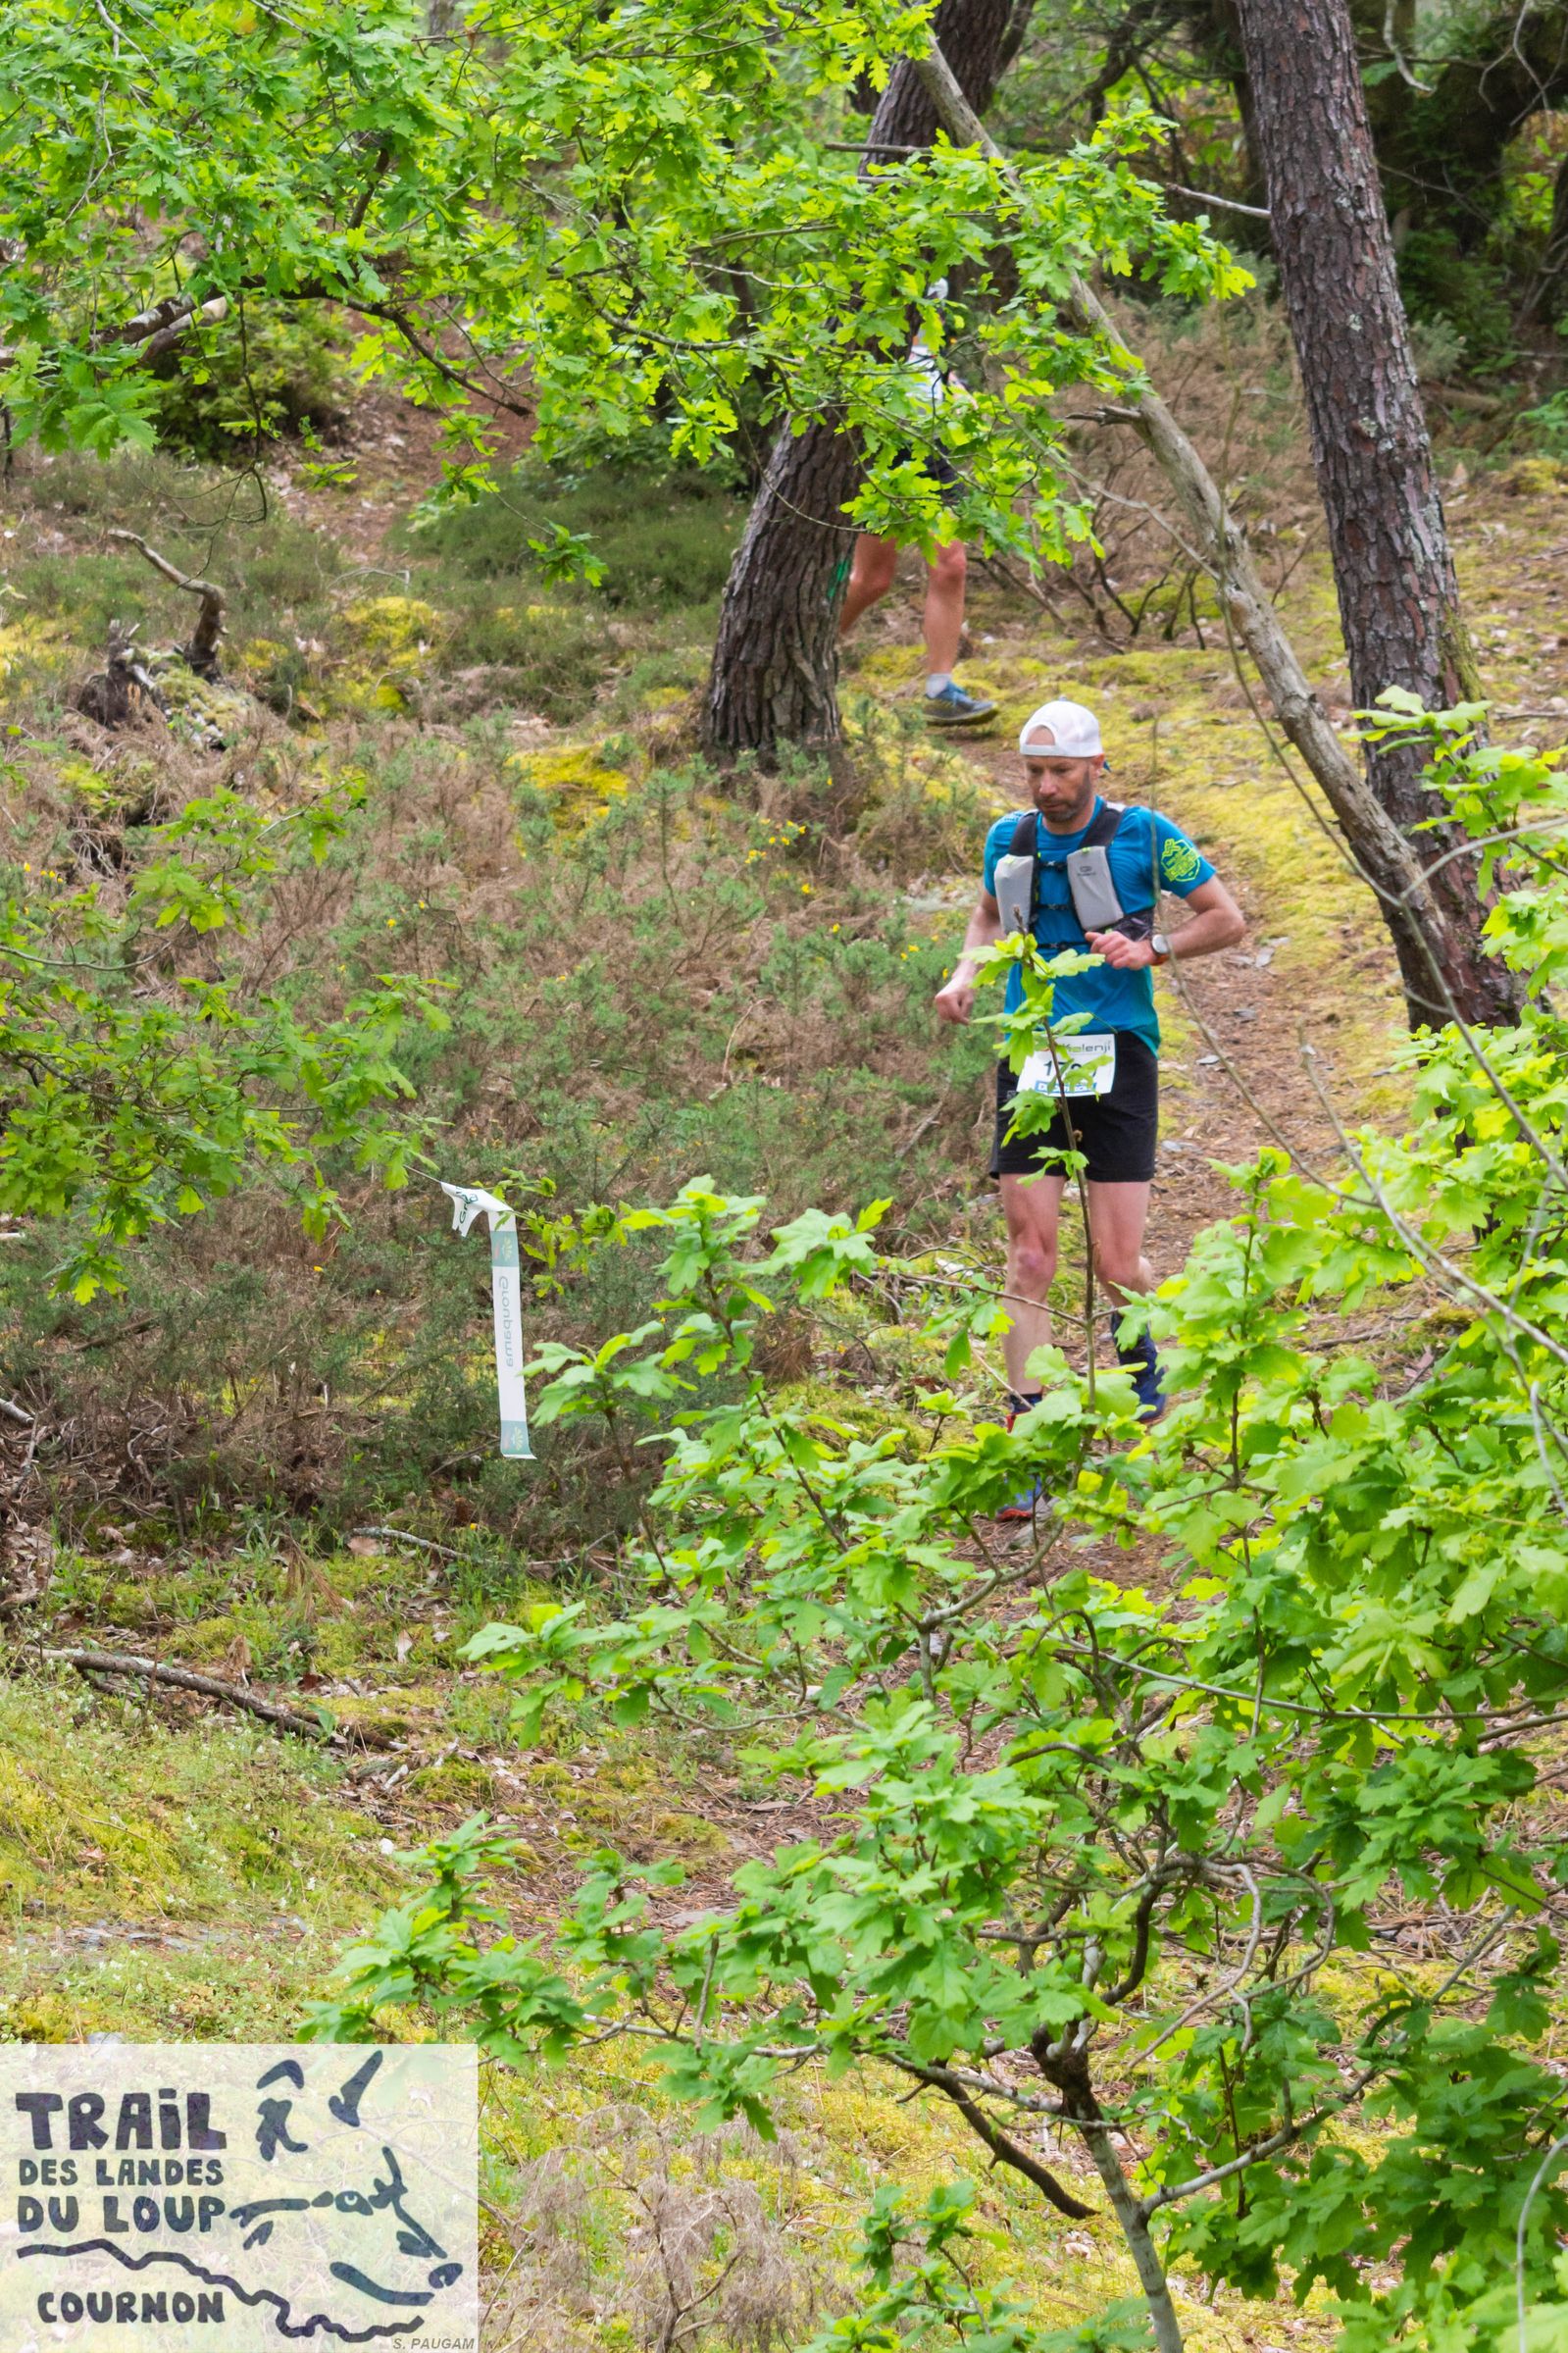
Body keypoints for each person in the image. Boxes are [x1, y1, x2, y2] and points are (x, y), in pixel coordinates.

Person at [934, 697, 1244, 1509]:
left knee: (1115, 1263)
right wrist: (965, 972)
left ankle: (1146, 1364)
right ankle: (1028, 1441)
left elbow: (1226, 919)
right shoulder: (1010, 838)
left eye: (1061, 771)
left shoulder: (1146, 834)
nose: (1046, 787)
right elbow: (988, 912)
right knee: (1029, 1258)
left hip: (1119, 1055)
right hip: (1031, 1054)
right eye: (1034, 772)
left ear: (1096, 765)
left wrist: (1153, 947)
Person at [837, 302, 996, 728]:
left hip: (932, 441)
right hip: (883, 440)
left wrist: (952, 383)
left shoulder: (937, 274)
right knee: (873, 581)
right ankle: (812, 652)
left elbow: (929, 343)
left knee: (951, 566)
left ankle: (940, 691)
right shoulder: (883, 273)